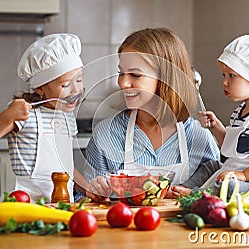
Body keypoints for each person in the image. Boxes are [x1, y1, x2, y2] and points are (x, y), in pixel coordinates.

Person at [83, 28, 220, 201]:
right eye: (121, 73)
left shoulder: (200, 139)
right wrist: (93, 194)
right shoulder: (106, 135)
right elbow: (82, 203)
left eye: (135, 75)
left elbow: (215, 204)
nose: (123, 83)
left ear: (166, 78)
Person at [0, 33, 87, 203]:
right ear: (40, 88)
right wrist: (7, 116)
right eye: (65, 84)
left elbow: (66, 166)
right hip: (29, 206)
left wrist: (89, 189)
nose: (75, 90)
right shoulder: (25, 115)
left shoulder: (67, 117)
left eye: (79, 80)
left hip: (64, 205)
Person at [171, 34, 249, 197]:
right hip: (233, 169)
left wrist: (245, 175)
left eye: (232, 76)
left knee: (231, 186)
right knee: (211, 165)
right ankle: (181, 188)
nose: (224, 82)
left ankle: (194, 194)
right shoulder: (240, 111)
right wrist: (216, 127)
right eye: (223, 75)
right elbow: (233, 148)